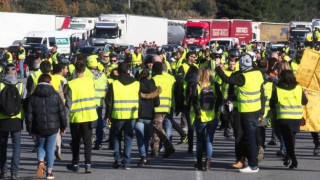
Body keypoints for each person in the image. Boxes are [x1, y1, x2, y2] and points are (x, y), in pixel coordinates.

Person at [215, 52, 265, 173]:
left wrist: (217, 67)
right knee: (250, 137)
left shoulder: (243, 77)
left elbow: (226, 79)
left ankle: (253, 165)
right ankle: (251, 160)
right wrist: (262, 111)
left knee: (248, 138)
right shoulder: (258, 74)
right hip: (256, 110)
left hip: (246, 110)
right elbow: (262, 93)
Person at [26, 74, 67, 179]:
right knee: (50, 148)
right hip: (53, 126)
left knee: (40, 146)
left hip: (38, 126)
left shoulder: (33, 96)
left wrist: (29, 129)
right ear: (50, 82)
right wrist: (63, 127)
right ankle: (49, 172)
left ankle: (40, 161)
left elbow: (29, 115)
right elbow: (62, 112)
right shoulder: (55, 95)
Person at [270, 70, 308, 169]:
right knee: (291, 139)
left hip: (284, 117)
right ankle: (289, 157)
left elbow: (272, 103)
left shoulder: (278, 89)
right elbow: (304, 102)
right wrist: (305, 95)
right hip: (296, 118)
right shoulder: (298, 88)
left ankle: (293, 159)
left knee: (287, 140)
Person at [105, 62, 139, 170]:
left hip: (117, 115)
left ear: (118, 71)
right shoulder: (136, 83)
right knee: (128, 138)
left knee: (116, 137)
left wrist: (107, 115)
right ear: (129, 71)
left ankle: (118, 160)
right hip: (131, 115)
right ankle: (127, 162)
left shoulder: (114, 84)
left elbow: (109, 102)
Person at [66, 61, 98, 173]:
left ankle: (75, 164)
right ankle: (88, 164)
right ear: (85, 70)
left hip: (76, 117)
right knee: (88, 141)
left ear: (75, 70)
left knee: (75, 141)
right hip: (89, 115)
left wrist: (64, 121)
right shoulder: (90, 81)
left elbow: (68, 103)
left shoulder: (71, 84)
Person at [190, 67, 222, 171]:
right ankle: (208, 165)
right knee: (209, 140)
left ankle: (199, 163)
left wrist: (198, 113)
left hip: (201, 117)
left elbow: (194, 101)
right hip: (212, 116)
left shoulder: (197, 85)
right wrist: (216, 111)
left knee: (199, 140)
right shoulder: (214, 85)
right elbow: (220, 99)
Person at [0, 63, 26, 180]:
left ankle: (3, 171)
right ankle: (14, 172)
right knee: (16, 147)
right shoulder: (21, 86)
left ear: (5, 73)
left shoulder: (0, 85)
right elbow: (26, 104)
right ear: (15, 72)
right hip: (16, 120)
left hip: (2, 120)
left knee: (2, 147)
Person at [135, 69, 160, 166]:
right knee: (146, 138)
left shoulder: (137, 86)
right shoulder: (154, 87)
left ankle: (143, 156)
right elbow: (157, 103)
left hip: (139, 115)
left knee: (140, 137)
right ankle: (145, 155)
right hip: (149, 115)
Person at [87, 58, 108, 150]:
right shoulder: (103, 75)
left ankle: (88, 141)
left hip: (88, 101)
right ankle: (98, 143)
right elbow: (106, 88)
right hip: (99, 102)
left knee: (88, 123)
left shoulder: (86, 75)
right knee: (99, 122)